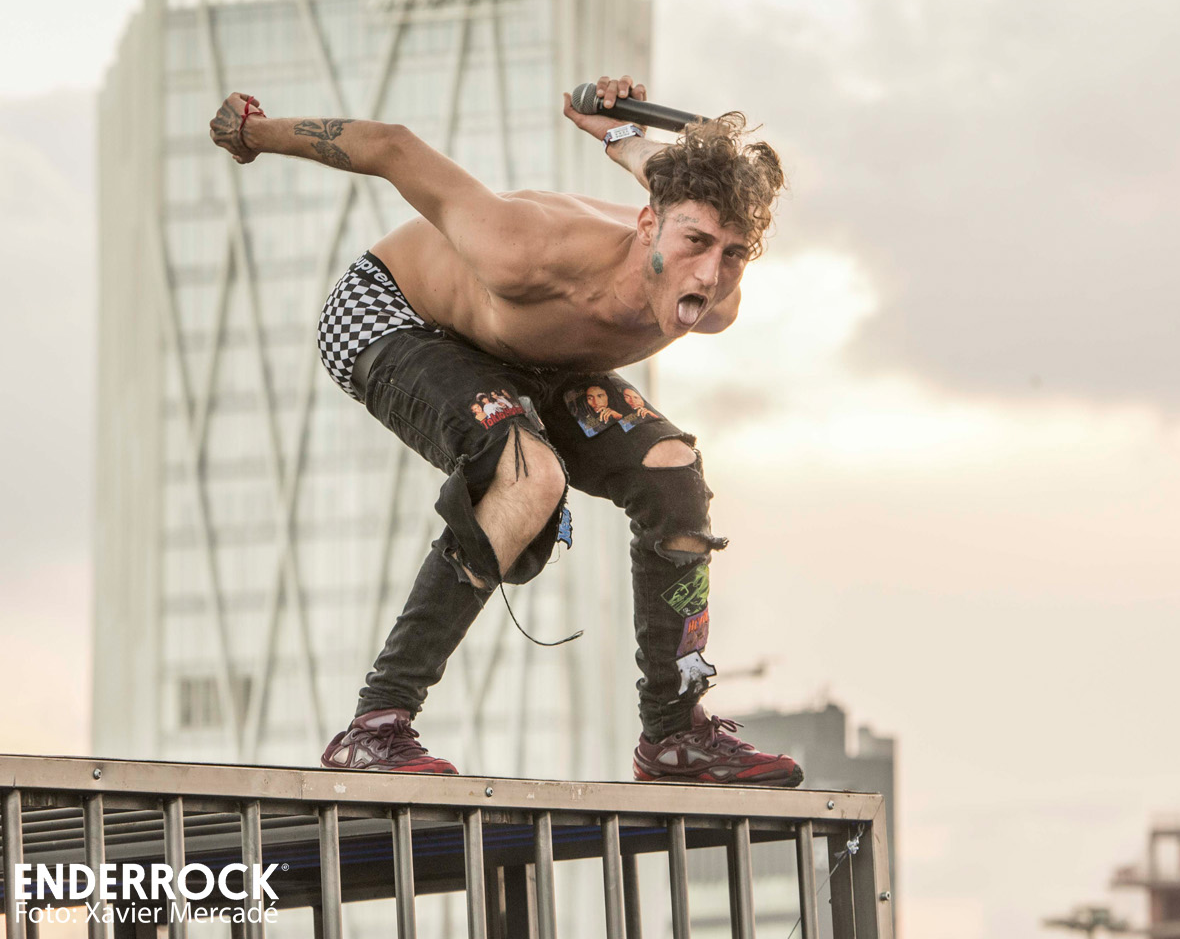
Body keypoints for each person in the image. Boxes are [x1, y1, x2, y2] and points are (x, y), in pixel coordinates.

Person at [208, 76, 802, 786]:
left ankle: (674, 736)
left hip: (533, 358)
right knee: (529, 477)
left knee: (672, 470)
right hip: (392, 315)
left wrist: (613, 130)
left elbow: (665, 175)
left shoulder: (714, 292)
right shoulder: (523, 247)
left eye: (734, 254)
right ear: (650, 226)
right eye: (696, 243)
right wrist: (254, 133)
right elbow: (393, 148)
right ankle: (375, 726)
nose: (709, 273)